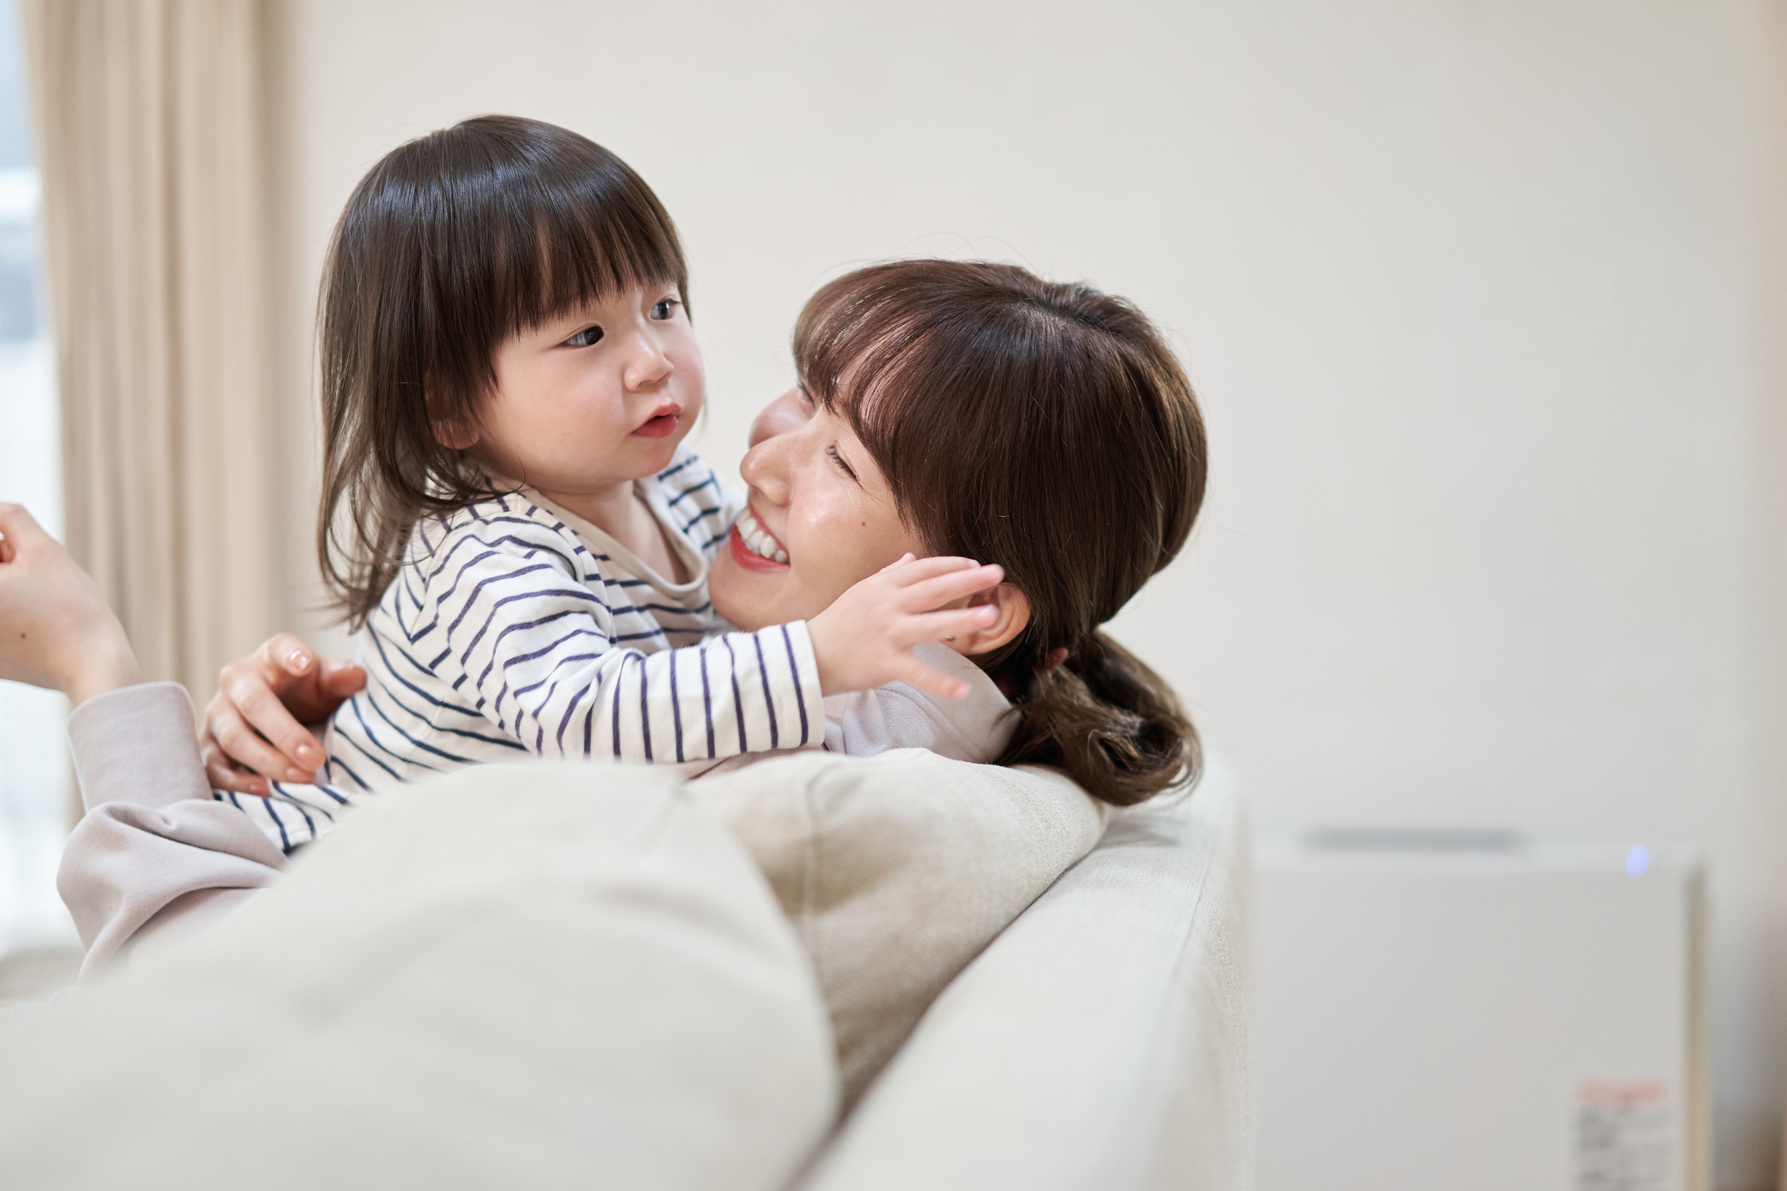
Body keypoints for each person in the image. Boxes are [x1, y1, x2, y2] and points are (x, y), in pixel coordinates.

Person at [16, 257, 1207, 972]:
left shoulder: (791, 772)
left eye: (842, 464)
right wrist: (403, 731)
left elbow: (174, 971)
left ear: (975, 607)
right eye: (802, 396)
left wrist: (93, 664)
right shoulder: (900, 705)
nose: (760, 460)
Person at [221, 116, 1012, 850]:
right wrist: (817, 658)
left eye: (662, 305)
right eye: (586, 334)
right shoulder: (487, 552)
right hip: (321, 856)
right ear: (450, 406)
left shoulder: (684, 492)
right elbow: (587, 718)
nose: (653, 360)